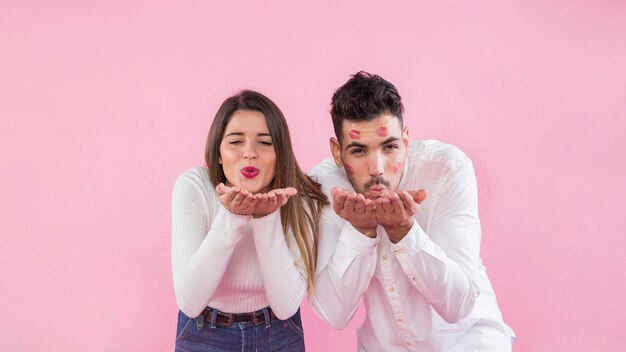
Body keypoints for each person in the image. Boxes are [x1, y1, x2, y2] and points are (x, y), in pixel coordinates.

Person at [309, 72, 515, 351]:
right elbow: (333, 314)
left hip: (467, 343)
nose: (377, 169)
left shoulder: (445, 168)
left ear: (406, 141)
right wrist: (360, 232)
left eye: (390, 147)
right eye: (358, 151)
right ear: (337, 151)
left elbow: (459, 304)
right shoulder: (326, 187)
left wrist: (403, 231)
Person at [172, 90, 327, 352]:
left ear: (280, 152)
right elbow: (190, 300)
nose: (250, 153)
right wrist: (232, 217)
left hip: (278, 333)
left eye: (265, 143)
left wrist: (266, 219)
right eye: (236, 142)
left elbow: (286, 306)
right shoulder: (194, 186)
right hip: (203, 333)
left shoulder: (300, 195)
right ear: (218, 152)